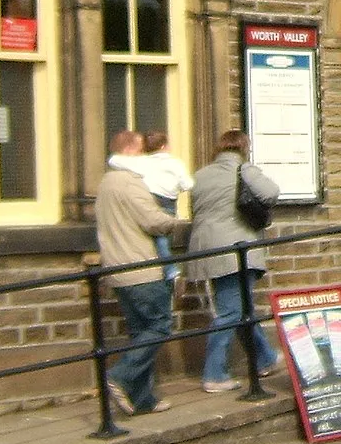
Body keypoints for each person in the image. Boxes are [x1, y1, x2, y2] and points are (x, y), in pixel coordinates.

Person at [186, 129, 282, 393]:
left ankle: (266, 358)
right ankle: (214, 374)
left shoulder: (200, 176)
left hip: (205, 250)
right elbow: (272, 193)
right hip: (235, 250)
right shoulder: (244, 169)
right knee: (230, 312)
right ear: (243, 148)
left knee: (242, 308)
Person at [95, 130, 181, 415]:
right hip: (141, 269)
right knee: (159, 326)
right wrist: (173, 220)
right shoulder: (129, 183)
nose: (145, 156)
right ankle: (119, 376)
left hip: (118, 271)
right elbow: (152, 221)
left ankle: (143, 399)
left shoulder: (106, 183)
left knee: (139, 332)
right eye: (142, 150)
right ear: (131, 150)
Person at [111, 131, 194, 286]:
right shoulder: (174, 163)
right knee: (163, 236)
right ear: (164, 146)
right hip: (169, 201)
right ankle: (169, 270)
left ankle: (165, 270)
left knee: (157, 238)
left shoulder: (143, 162)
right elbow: (188, 184)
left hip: (150, 199)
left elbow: (114, 160)